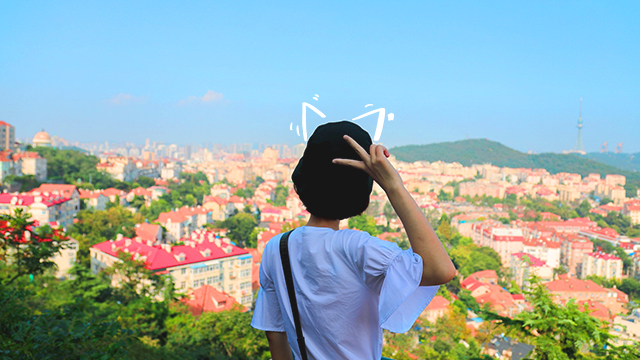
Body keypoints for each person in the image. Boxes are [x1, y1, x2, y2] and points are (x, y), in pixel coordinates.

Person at [251, 121, 456, 360]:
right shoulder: (357, 248)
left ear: (303, 178)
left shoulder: (276, 248)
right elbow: (440, 270)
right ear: (363, 191)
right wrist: (393, 186)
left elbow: (275, 335)